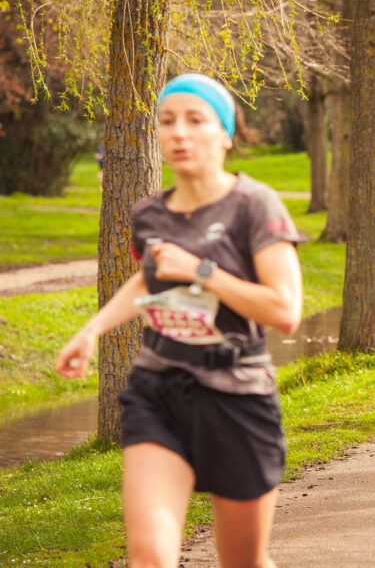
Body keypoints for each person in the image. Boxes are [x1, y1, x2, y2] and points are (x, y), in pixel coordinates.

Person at [55, 74, 303, 567]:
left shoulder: (254, 206)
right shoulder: (149, 214)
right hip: (159, 388)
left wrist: (202, 271)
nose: (179, 133)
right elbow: (149, 280)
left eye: (195, 120)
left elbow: (285, 311)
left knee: (244, 562)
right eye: (167, 122)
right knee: (148, 557)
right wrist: (92, 330)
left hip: (237, 393)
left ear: (226, 133)